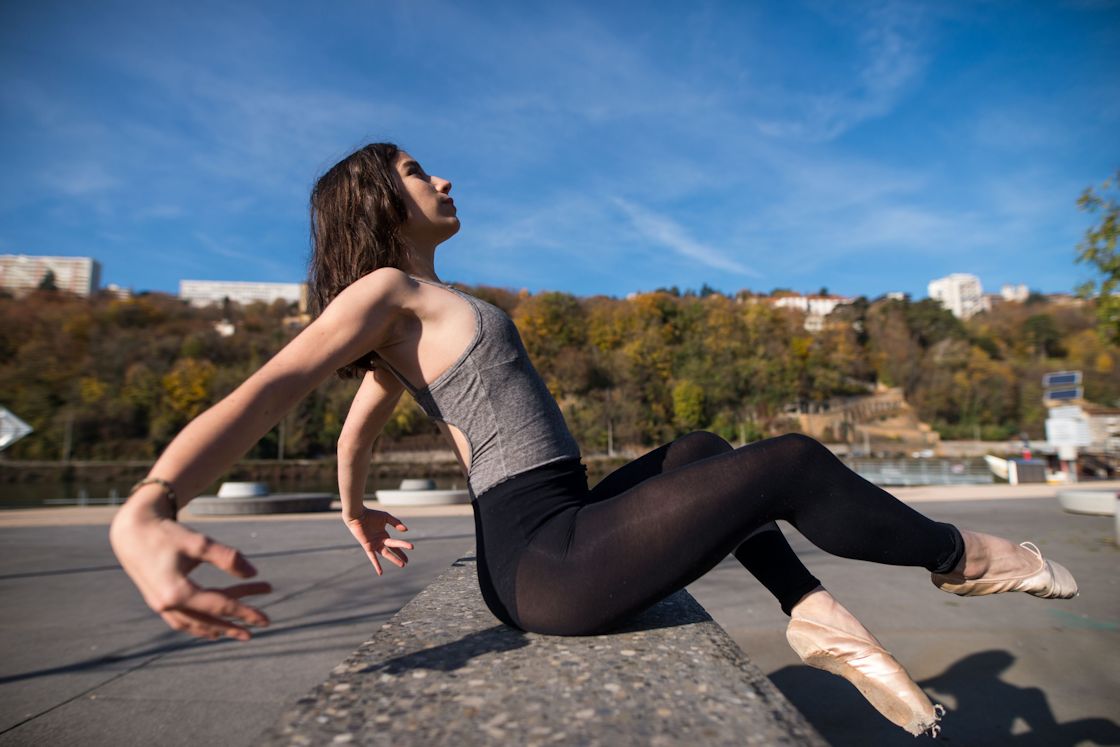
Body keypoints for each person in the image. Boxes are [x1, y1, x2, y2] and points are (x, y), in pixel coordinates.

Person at [110, 143, 1078, 738]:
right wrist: (151, 506)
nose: (442, 176)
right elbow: (272, 385)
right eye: (415, 170)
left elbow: (360, 419)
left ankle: (812, 613)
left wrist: (351, 499)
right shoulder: (386, 292)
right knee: (786, 460)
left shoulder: (407, 317)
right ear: (375, 201)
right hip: (545, 560)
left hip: (555, 531)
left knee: (702, 447)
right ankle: (963, 558)